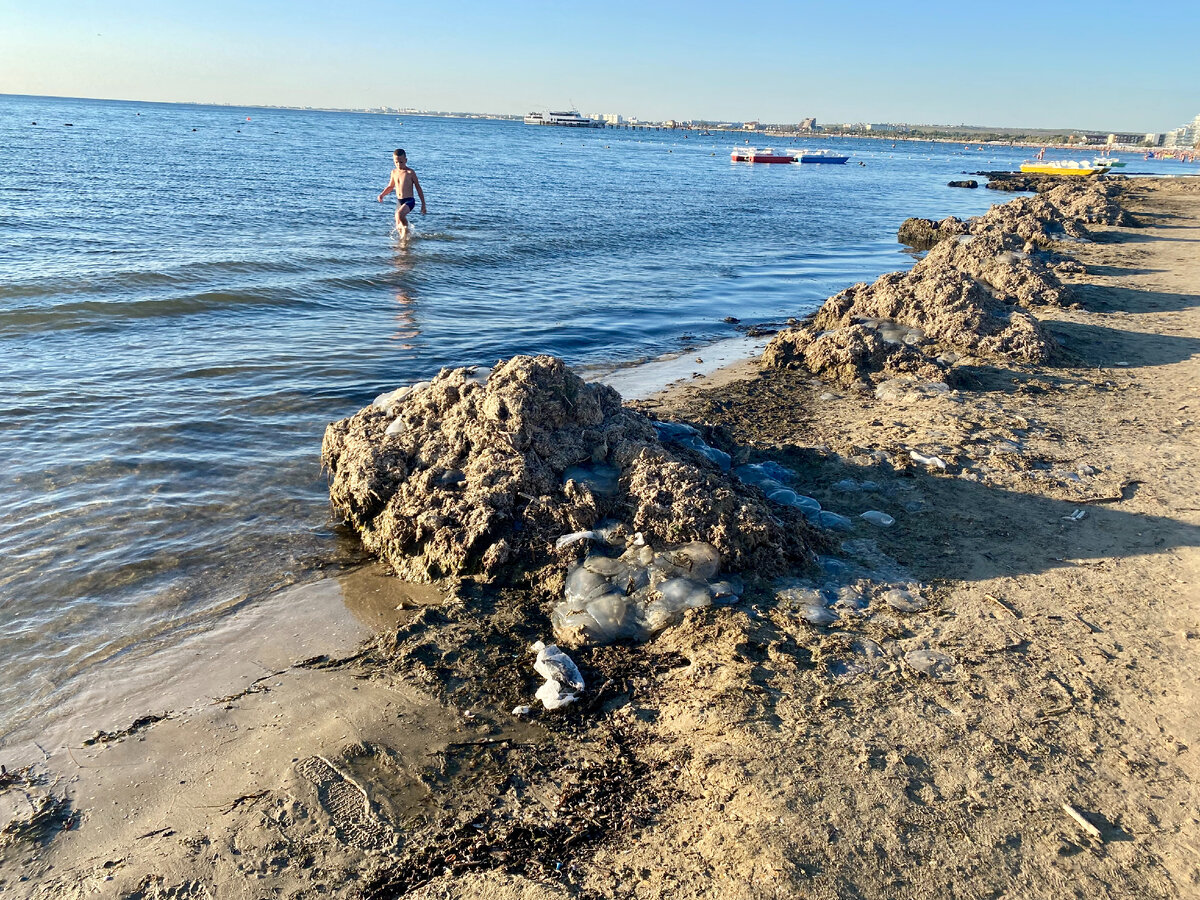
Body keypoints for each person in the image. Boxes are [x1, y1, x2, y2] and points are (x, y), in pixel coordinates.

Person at [377, 149, 426, 238]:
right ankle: (404, 242)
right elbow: (390, 186)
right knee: (398, 224)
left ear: (406, 160)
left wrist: (423, 204)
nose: (399, 164)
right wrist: (382, 194)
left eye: (401, 162)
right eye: (396, 162)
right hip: (399, 201)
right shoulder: (394, 172)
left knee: (400, 215)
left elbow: (418, 188)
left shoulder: (410, 172)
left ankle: (406, 230)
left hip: (409, 201)